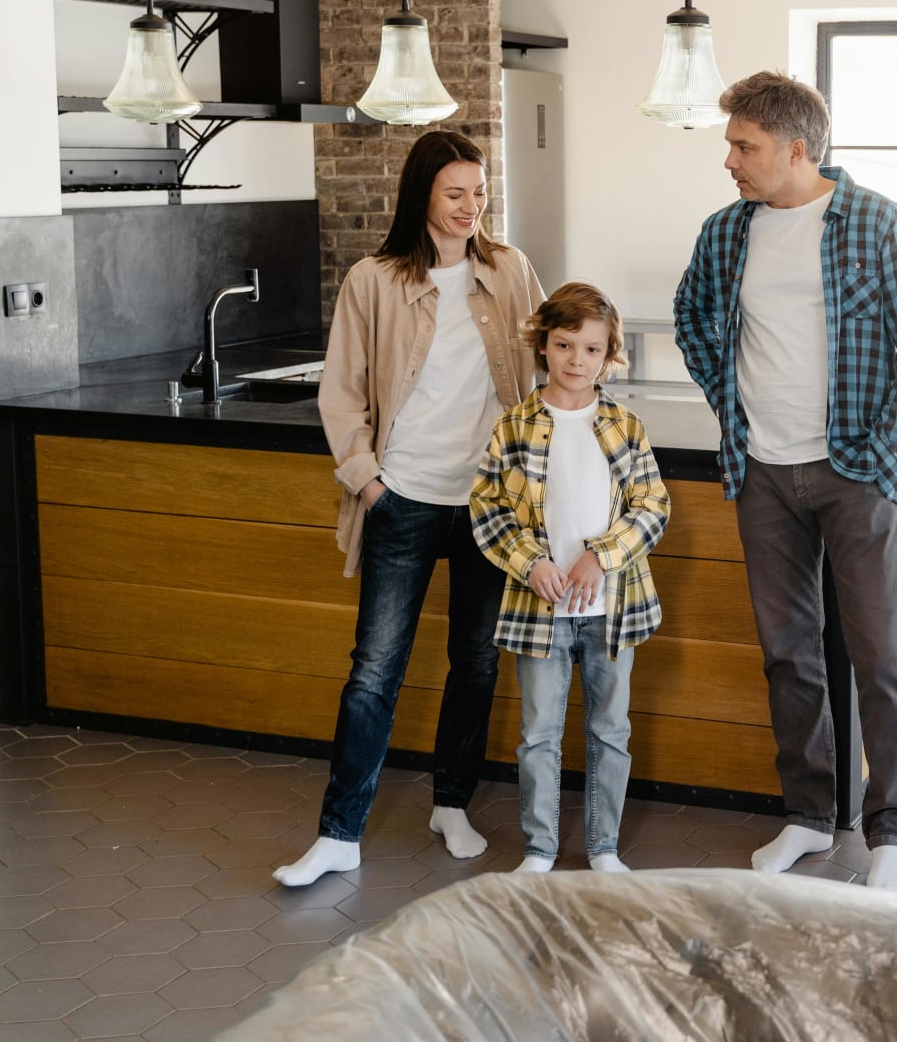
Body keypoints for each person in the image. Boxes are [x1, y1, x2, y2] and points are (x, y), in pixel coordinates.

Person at [673, 71, 897, 893]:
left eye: (743, 145)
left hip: (854, 473)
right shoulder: (726, 232)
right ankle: (807, 813)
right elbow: (693, 318)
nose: (729, 160)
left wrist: (885, 462)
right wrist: (733, 404)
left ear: (796, 149)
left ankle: (890, 831)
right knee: (788, 655)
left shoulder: (874, 222)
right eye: (730, 144)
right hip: (762, 473)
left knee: (883, 655)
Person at [274, 131, 546, 888]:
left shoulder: (510, 270)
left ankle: (450, 804)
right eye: (454, 192)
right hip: (403, 496)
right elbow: (341, 391)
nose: (470, 206)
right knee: (374, 670)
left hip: (489, 504)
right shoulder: (374, 280)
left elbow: (549, 362)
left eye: (479, 191)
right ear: (421, 193)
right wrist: (368, 481)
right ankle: (339, 835)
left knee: (476, 663)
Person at [470, 282, 670, 874]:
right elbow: (487, 507)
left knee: (610, 732)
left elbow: (653, 506)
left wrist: (599, 556)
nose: (576, 360)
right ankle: (539, 849)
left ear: (608, 355)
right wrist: (530, 563)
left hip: (612, 609)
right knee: (538, 734)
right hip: (540, 612)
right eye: (564, 345)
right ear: (543, 345)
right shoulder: (514, 426)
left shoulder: (626, 426)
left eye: (591, 349)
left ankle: (604, 848)